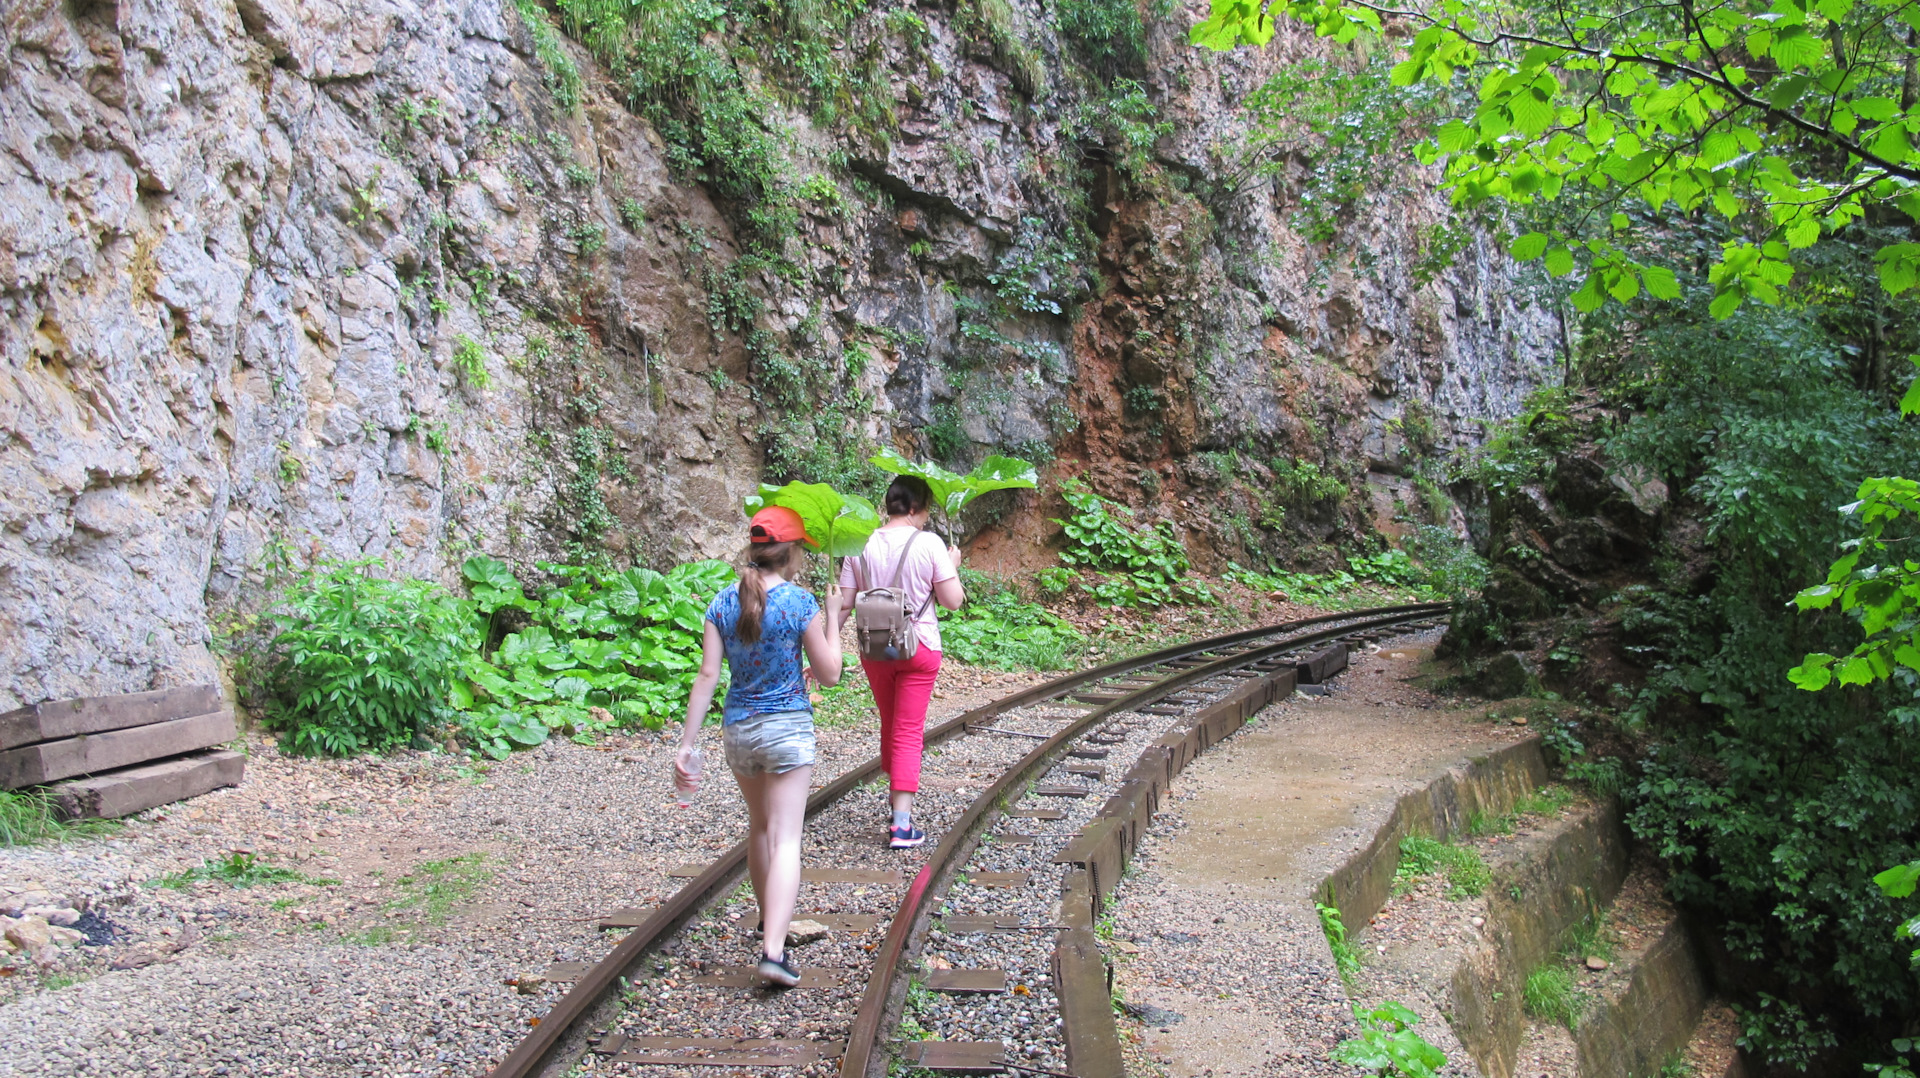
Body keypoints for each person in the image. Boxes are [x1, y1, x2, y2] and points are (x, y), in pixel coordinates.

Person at [675, 505, 843, 987]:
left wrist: (686, 745)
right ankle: (774, 949)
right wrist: (832, 618)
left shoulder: (723, 602)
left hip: (739, 732)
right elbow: (830, 674)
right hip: (788, 728)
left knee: (760, 829)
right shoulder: (799, 603)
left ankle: (769, 922)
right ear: (789, 554)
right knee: (787, 837)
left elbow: (708, 676)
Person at [836, 475, 965, 849]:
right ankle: (902, 825)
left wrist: (824, 650)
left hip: (874, 649)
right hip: (918, 647)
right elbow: (952, 600)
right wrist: (952, 565)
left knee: (891, 724)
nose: (925, 519)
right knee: (908, 730)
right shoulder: (929, 543)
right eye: (924, 512)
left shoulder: (860, 544)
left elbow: (844, 604)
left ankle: (897, 806)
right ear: (914, 508)